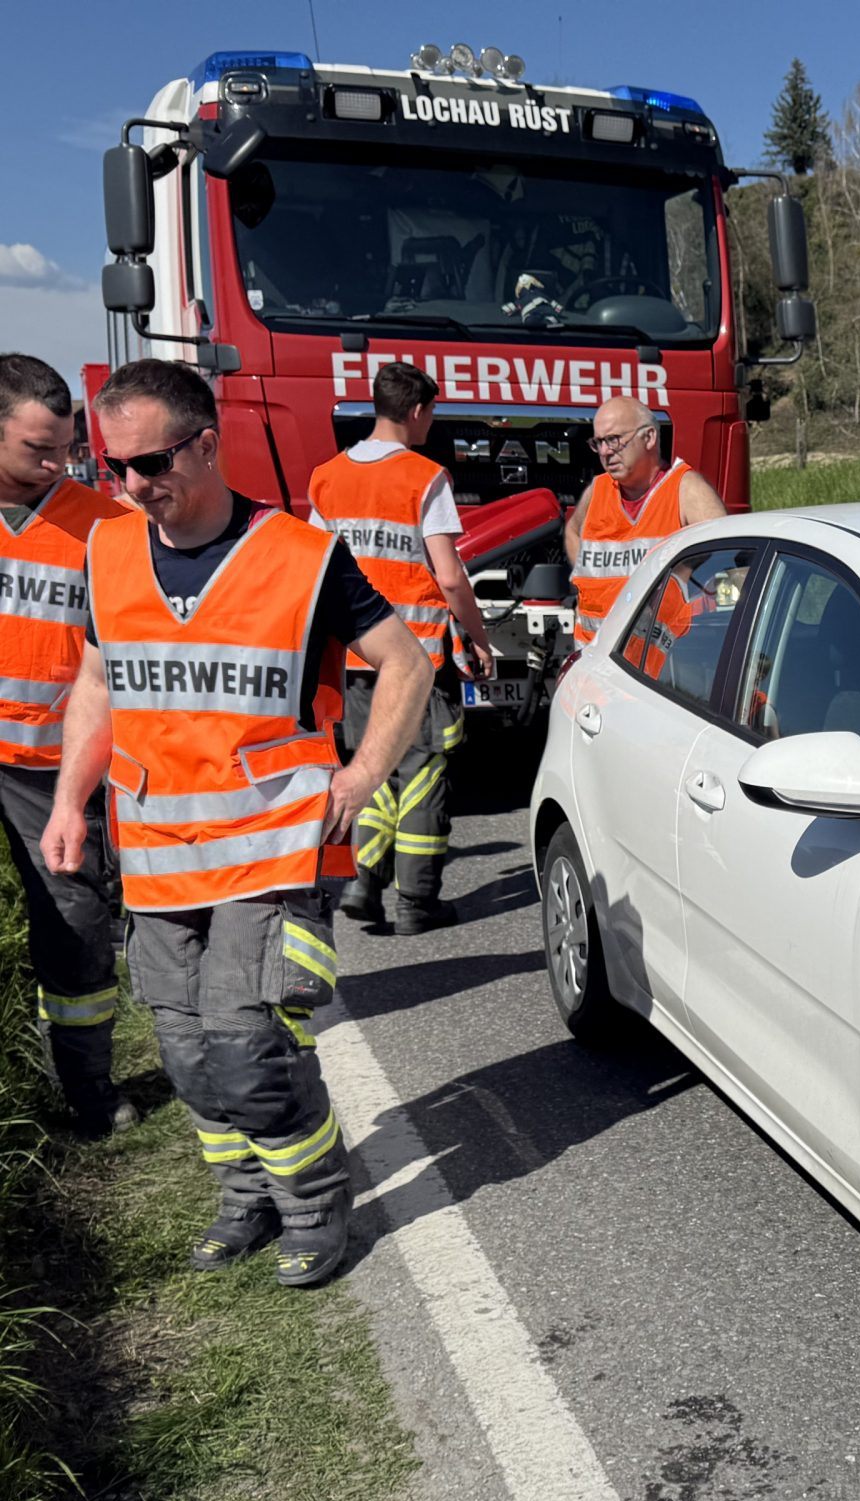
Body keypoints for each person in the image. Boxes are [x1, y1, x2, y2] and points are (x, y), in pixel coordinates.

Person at [43, 358, 430, 1287]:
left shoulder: (302, 555)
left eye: (152, 464)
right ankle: (243, 1196)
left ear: (207, 445)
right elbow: (97, 685)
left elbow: (406, 664)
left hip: (272, 851)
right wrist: (66, 802)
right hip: (157, 855)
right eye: (115, 466)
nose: (132, 486)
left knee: (247, 1044)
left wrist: (363, 774)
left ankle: (314, 1204)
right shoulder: (108, 551)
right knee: (184, 1051)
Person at [308, 361, 494, 933]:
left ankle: (361, 884)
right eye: (430, 413)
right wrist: (479, 638)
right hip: (414, 659)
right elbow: (451, 577)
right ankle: (416, 901)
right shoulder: (424, 477)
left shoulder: (327, 477)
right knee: (421, 772)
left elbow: (314, 566)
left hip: (352, 656)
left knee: (370, 763)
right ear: (416, 411)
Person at [0, 354, 133, 1136]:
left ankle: (87, 1091)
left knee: (76, 921)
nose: (56, 463)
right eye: (36, 450)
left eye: (64, 448)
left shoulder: (107, 526)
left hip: (52, 770)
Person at [565, 396, 726, 645]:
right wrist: (585, 586)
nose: (605, 452)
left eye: (614, 440)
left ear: (649, 437)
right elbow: (573, 531)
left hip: (661, 660)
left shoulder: (686, 490)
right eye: (598, 443)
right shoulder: (598, 490)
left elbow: (726, 559)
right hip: (591, 654)